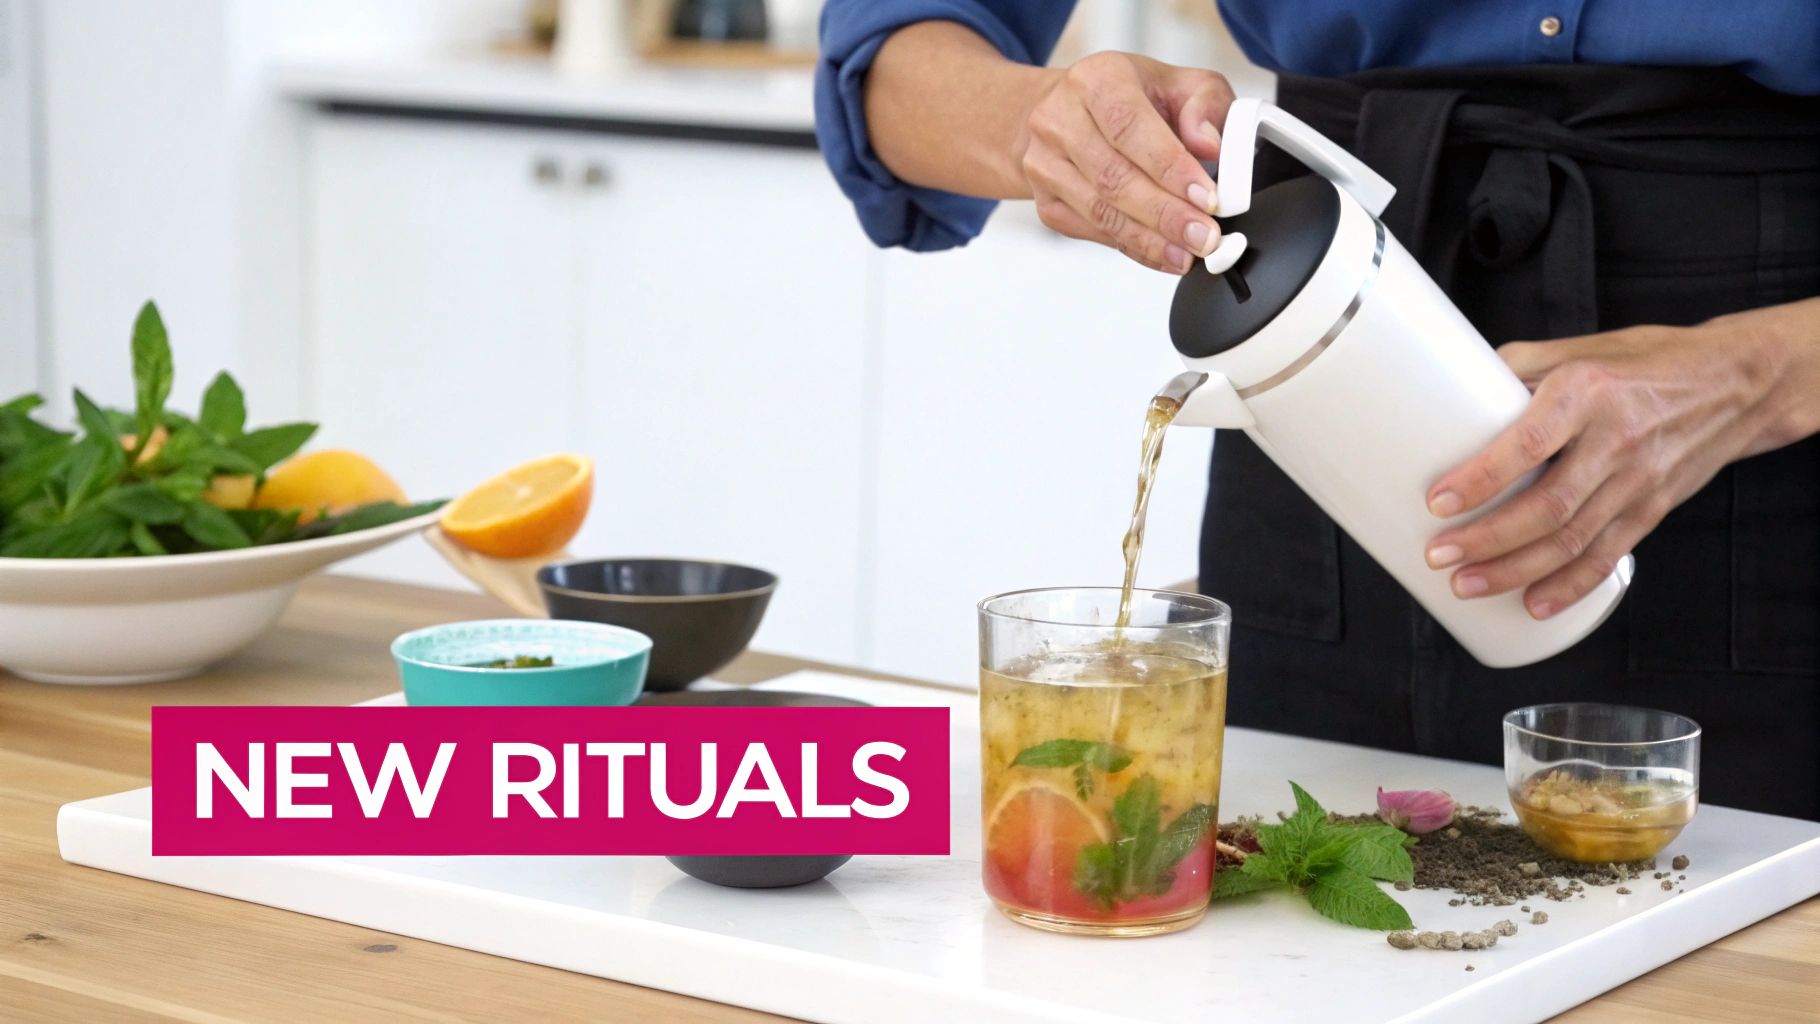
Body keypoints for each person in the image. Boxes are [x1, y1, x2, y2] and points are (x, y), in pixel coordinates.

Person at [813, 2, 1820, 819]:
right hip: (1318, 315)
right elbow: (887, 62)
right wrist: (1047, 125)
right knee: (1273, 918)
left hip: (1760, 449)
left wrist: (1758, 373)